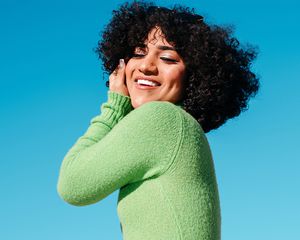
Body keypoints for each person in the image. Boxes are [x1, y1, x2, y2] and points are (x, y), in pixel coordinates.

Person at [56, 1, 259, 239]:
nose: (146, 66)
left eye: (168, 58)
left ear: (194, 76)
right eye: (138, 53)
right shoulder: (180, 126)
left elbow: (73, 185)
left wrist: (113, 106)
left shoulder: (162, 119)